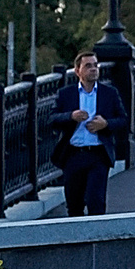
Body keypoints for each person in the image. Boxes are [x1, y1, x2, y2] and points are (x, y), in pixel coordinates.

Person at [49, 52, 126, 216]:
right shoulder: (66, 94)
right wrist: (71, 116)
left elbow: (123, 120)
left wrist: (105, 124)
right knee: (74, 205)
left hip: (98, 154)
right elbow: (51, 119)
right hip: (73, 155)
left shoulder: (109, 93)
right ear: (77, 71)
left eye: (95, 65)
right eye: (88, 66)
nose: (93, 69)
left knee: (95, 201)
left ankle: (97, 239)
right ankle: (77, 240)